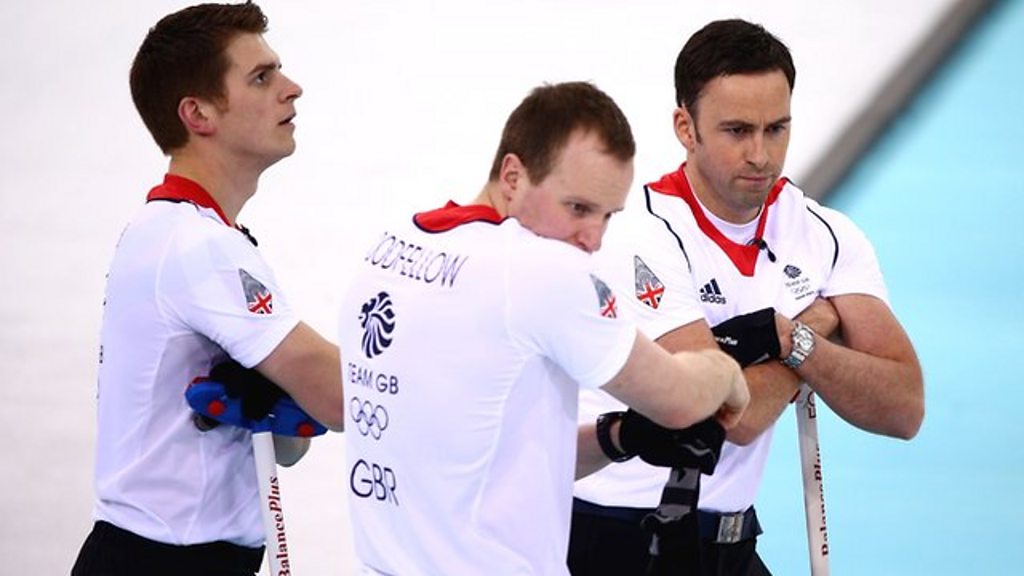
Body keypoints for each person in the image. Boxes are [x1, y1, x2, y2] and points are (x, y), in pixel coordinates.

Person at [337, 81, 750, 575]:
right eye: (578, 208)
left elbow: (489, 465)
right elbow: (679, 398)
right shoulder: (537, 269)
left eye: (608, 216)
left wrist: (618, 437)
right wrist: (725, 373)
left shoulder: (390, 248)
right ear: (513, 176)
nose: (593, 239)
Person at [570, 19, 925, 575]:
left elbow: (904, 408)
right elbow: (724, 414)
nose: (761, 155)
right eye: (737, 131)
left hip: (731, 541)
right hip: (616, 540)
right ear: (685, 128)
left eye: (776, 128)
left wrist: (795, 340)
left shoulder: (823, 234)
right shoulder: (641, 233)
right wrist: (814, 325)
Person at [72, 3, 343, 575]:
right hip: (165, 562)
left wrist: (279, 394)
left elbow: (292, 442)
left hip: (172, 556)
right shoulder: (197, 246)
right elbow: (341, 398)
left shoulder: (183, 231)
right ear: (197, 113)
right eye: (261, 77)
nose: (292, 89)